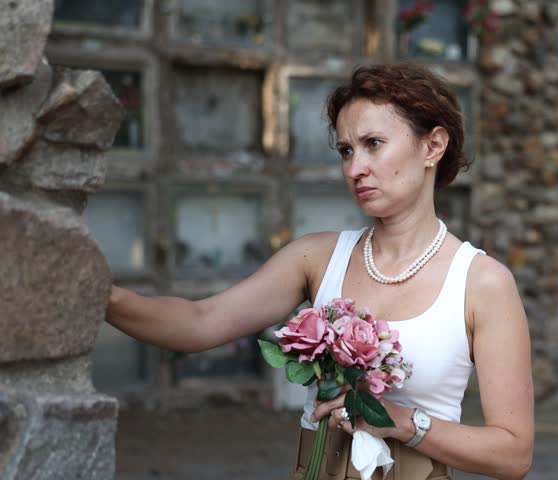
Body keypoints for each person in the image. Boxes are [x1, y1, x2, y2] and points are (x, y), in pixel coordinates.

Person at [107, 63, 534, 480]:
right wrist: (101, 297)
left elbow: (513, 455)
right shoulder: (316, 258)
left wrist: (405, 423)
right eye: (346, 150)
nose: (354, 169)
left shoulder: (481, 282)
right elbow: (201, 323)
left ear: (432, 146)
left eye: (373, 143)